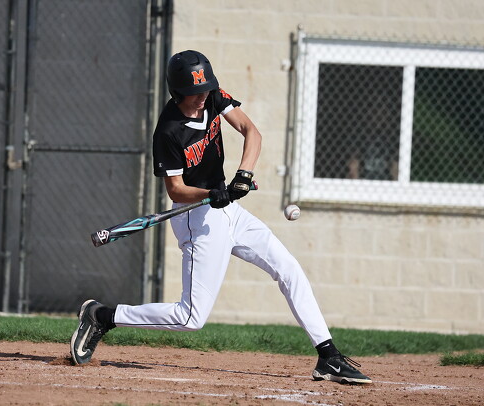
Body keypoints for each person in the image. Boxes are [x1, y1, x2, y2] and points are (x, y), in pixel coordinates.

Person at [70, 50, 372, 384]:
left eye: (204, 89)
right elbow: (176, 189)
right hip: (196, 218)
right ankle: (103, 316)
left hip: (229, 210)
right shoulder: (168, 131)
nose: (202, 97)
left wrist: (243, 174)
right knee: (190, 318)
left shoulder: (213, 96)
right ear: (177, 92)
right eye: (194, 92)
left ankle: (328, 357)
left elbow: (250, 131)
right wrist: (209, 194)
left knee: (289, 269)